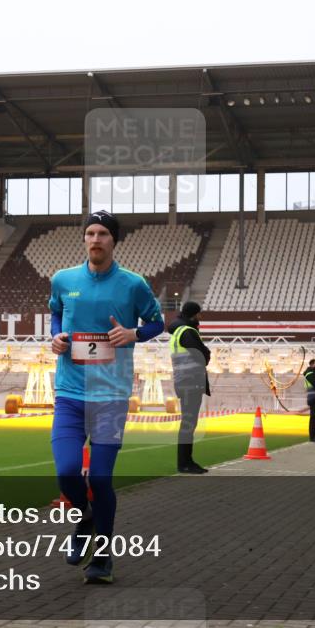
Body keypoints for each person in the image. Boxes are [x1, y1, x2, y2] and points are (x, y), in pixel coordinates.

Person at [49, 210, 164, 584]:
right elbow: (54, 315)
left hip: (111, 396)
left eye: (102, 234)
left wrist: (134, 334)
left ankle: (102, 557)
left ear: (114, 241)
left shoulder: (133, 285)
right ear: (84, 239)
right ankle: (85, 519)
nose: (95, 240)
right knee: (68, 473)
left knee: (99, 479)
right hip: (69, 392)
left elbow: (158, 323)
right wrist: (55, 338)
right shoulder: (63, 280)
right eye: (90, 233)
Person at [168, 301, 212, 474]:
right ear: (194, 314)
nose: (200, 317)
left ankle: (186, 461)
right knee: (188, 424)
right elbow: (202, 355)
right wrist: (207, 353)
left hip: (185, 381)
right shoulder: (188, 332)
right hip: (191, 381)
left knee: (188, 423)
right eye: (199, 314)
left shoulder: (179, 331)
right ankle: (185, 463)